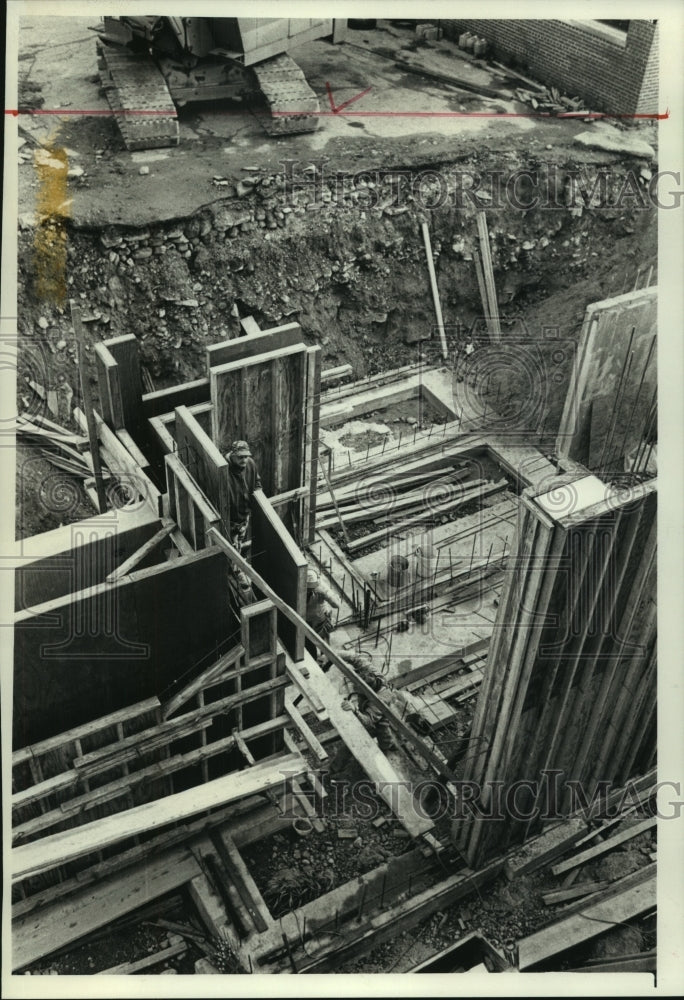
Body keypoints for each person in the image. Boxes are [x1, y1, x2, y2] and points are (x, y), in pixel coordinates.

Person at [225, 440, 261, 553]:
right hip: (229, 521)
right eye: (241, 457)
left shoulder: (250, 464)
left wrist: (258, 497)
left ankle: (241, 559)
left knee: (242, 544)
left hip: (245, 516)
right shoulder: (224, 470)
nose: (244, 460)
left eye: (246, 456)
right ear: (233, 455)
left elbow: (257, 483)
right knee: (230, 549)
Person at [305, 569, 340, 669]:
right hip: (308, 621)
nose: (309, 590)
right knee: (311, 642)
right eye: (307, 588)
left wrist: (333, 596)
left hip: (319, 620)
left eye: (310, 588)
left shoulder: (321, 590)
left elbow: (336, 604)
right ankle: (314, 661)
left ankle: (327, 661)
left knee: (323, 642)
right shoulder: (299, 587)